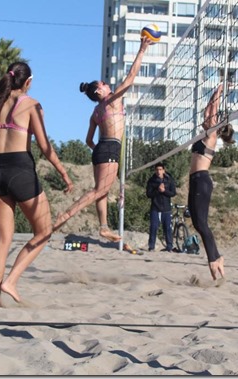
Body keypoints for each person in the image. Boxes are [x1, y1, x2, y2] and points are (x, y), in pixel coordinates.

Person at [0, 62, 73, 307]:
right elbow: (44, 147)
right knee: (44, 232)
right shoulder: (31, 104)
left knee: (2, 240)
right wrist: (63, 173)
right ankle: (11, 282)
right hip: (20, 169)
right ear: (28, 82)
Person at [53, 36, 153, 242]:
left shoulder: (96, 112)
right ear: (100, 90)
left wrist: (100, 149)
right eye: (104, 84)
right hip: (109, 148)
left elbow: (88, 140)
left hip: (100, 149)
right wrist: (142, 50)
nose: (108, 85)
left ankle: (104, 227)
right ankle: (65, 216)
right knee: (99, 190)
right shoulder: (111, 100)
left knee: (103, 192)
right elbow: (131, 78)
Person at [189, 83, 233, 281]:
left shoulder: (212, 135)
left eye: (211, 120)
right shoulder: (207, 134)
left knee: (201, 223)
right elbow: (208, 111)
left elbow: (210, 111)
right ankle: (216, 258)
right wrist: (215, 94)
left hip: (202, 181)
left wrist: (219, 91)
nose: (206, 120)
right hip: (196, 181)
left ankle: (215, 259)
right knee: (198, 224)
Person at [146, 162, 176, 252]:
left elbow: (173, 193)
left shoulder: (169, 180)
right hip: (155, 208)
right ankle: (151, 247)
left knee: (167, 228)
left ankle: (169, 247)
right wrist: (158, 191)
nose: (159, 171)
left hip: (166, 208)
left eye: (160, 169)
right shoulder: (151, 181)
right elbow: (148, 194)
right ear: (155, 171)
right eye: (157, 170)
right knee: (153, 227)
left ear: (164, 170)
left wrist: (164, 191)